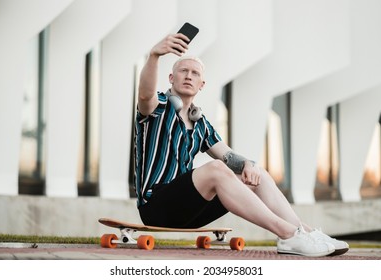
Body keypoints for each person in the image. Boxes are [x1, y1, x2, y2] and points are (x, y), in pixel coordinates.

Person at [134, 32, 349, 257]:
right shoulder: (157, 107)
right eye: (183, 71)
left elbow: (227, 155)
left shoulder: (201, 123)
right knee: (216, 169)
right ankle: (287, 234)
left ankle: (304, 232)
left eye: (195, 73)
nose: (189, 76)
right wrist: (155, 55)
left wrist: (248, 164)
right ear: (171, 78)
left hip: (188, 211)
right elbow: (144, 94)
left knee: (256, 173)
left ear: (202, 84)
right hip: (156, 207)